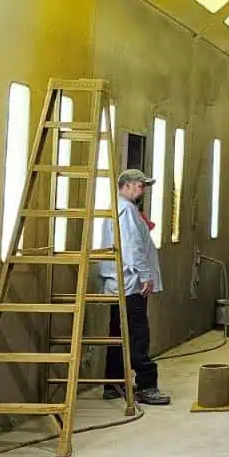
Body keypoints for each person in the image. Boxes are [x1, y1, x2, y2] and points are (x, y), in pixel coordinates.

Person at [97, 169, 171, 405]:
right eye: (140, 185)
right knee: (138, 334)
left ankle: (113, 383)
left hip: (118, 283)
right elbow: (132, 247)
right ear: (126, 185)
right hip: (131, 283)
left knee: (119, 332)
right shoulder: (126, 210)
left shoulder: (120, 208)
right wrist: (145, 275)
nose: (143, 190)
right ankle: (147, 385)